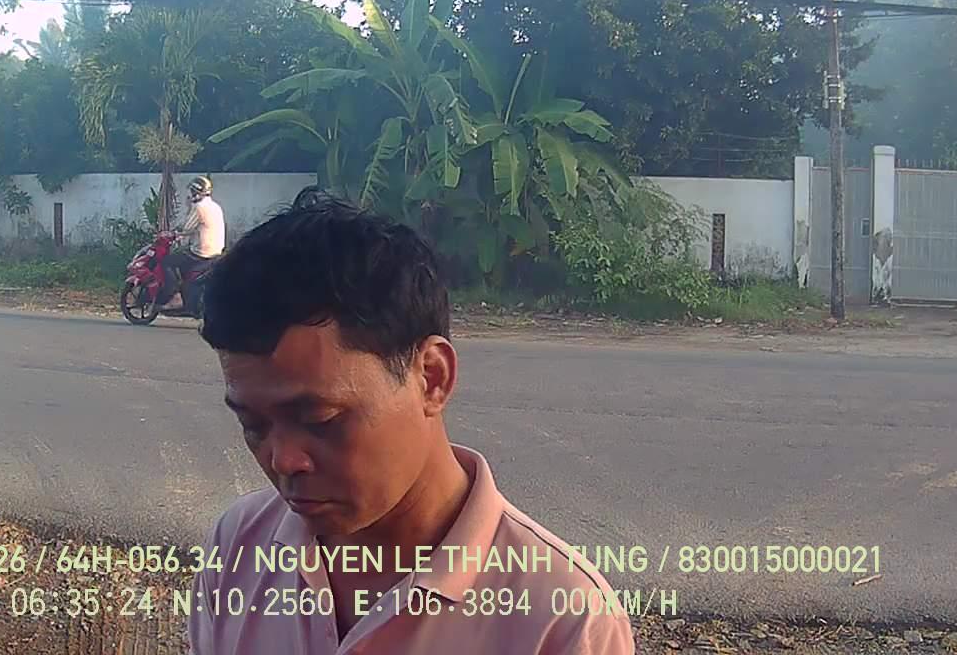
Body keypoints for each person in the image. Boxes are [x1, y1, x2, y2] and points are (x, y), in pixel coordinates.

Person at [190, 196, 635, 654]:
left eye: (320, 420)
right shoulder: (239, 547)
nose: (284, 460)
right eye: (253, 425)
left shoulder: (564, 622)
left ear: (432, 377)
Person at [161, 175, 225, 305]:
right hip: (217, 251)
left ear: (195, 192)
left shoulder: (199, 207)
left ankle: (173, 293)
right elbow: (198, 228)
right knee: (183, 260)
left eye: (191, 191)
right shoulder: (216, 206)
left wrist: (172, 233)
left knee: (167, 262)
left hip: (201, 252)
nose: (190, 195)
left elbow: (186, 227)